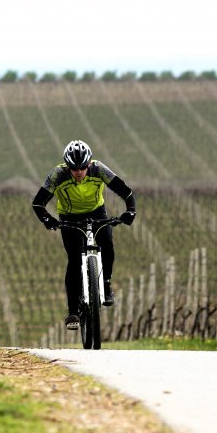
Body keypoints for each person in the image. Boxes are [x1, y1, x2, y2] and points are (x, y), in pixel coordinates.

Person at [32, 140, 136, 330]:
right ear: (68, 166)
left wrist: (130, 211)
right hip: (69, 217)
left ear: (89, 164)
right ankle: (73, 311)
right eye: (74, 168)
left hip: (97, 212)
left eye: (82, 168)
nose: (78, 172)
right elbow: (38, 203)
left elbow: (126, 192)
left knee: (107, 243)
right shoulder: (58, 174)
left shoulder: (99, 169)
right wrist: (48, 220)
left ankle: (105, 283)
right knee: (74, 259)